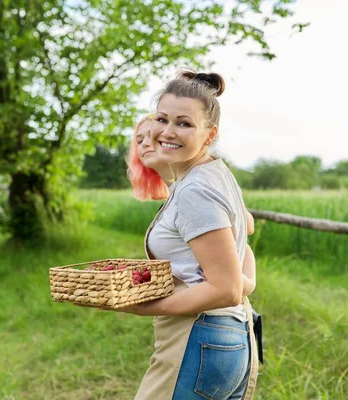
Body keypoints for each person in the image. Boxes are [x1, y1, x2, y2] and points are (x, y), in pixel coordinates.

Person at [118, 71, 260, 400]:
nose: (167, 132)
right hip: (226, 336)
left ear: (209, 135)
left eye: (184, 123)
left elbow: (226, 288)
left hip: (200, 335)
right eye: (162, 119)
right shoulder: (209, 174)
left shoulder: (196, 190)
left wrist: (144, 306)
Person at [127, 115, 257, 296]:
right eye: (139, 140)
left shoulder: (195, 189)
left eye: (152, 136)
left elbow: (244, 230)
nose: (145, 144)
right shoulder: (178, 190)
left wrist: (247, 282)